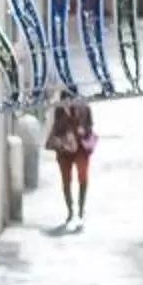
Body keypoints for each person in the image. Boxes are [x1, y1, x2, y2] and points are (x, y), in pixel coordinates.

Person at [48, 93, 98, 227]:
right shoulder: (59, 109)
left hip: (81, 148)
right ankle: (70, 210)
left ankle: (81, 208)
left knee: (83, 177)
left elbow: (90, 126)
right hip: (64, 149)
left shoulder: (85, 107)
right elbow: (56, 128)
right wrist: (66, 119)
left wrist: (83, 130)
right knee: (66, 180)